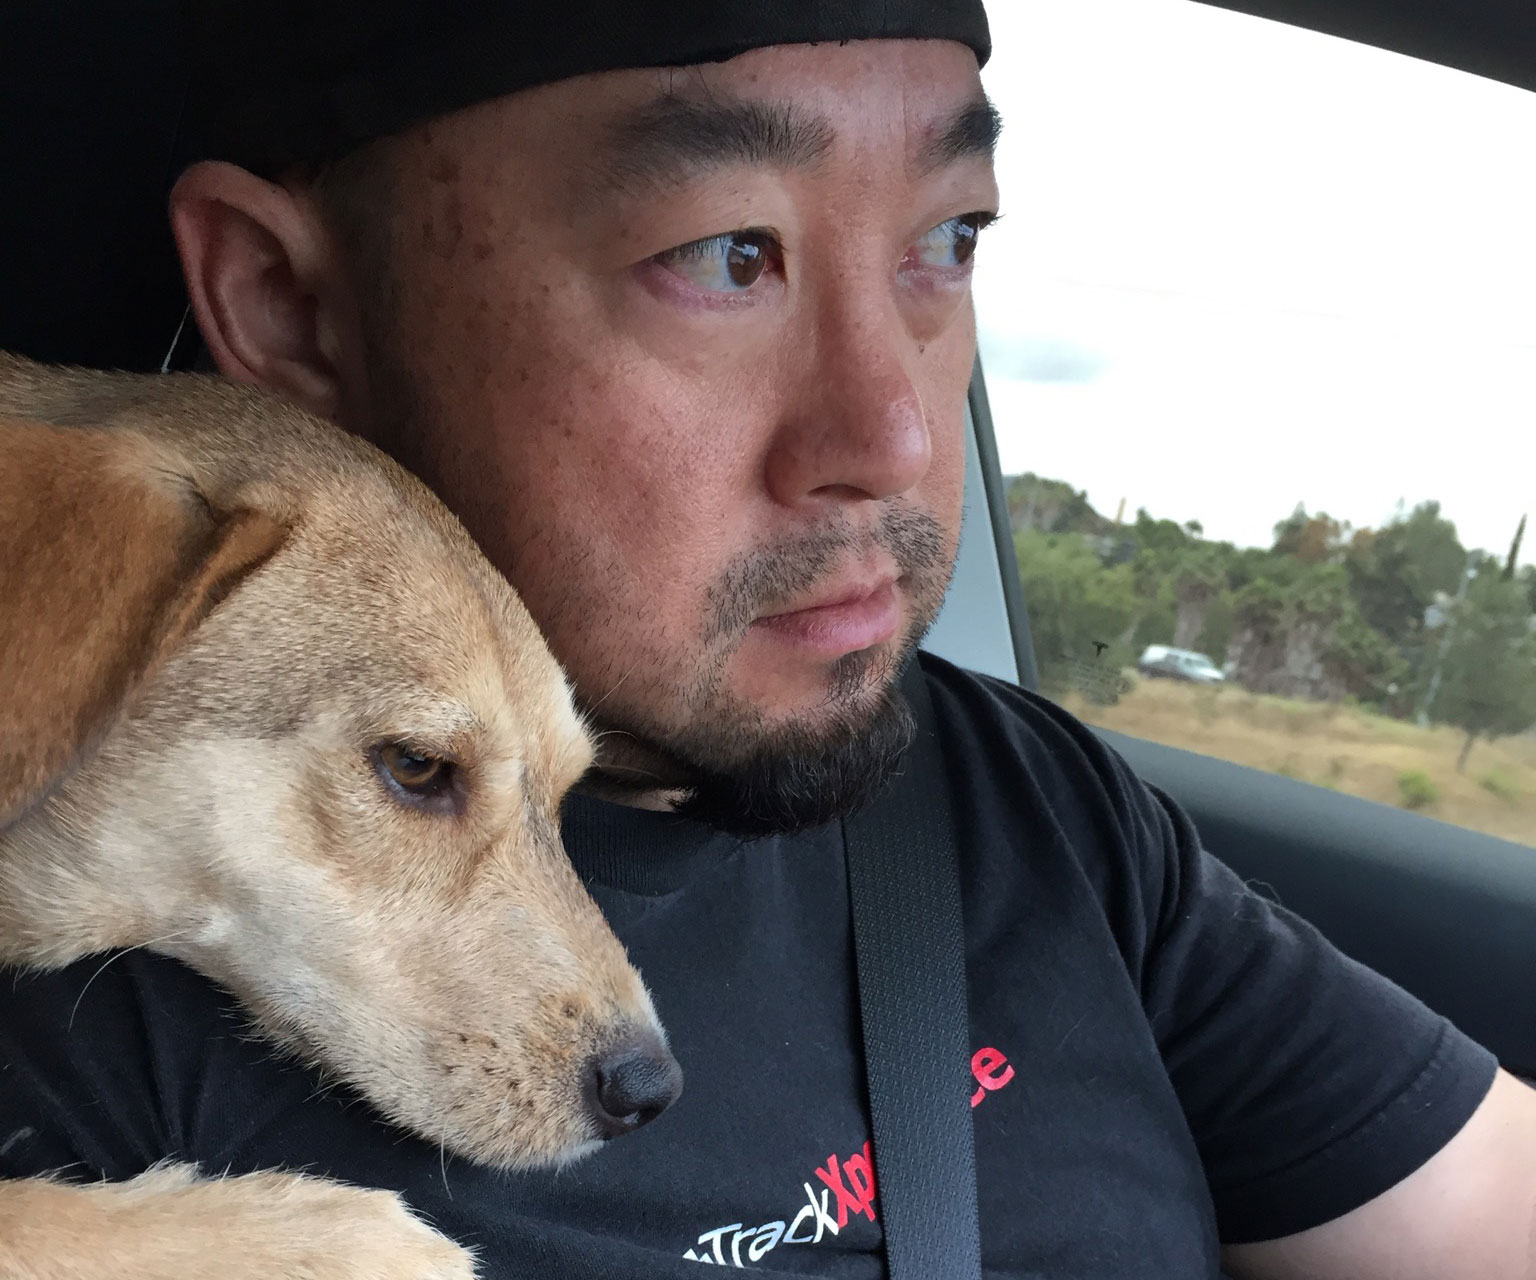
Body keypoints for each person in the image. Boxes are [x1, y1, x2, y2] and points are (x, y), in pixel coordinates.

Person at [3, 4, 1534, 1277]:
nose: (895, 429)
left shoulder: (1016, 802)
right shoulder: (105, 953)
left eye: (949, 239)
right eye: (730, 253)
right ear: (288, 307)